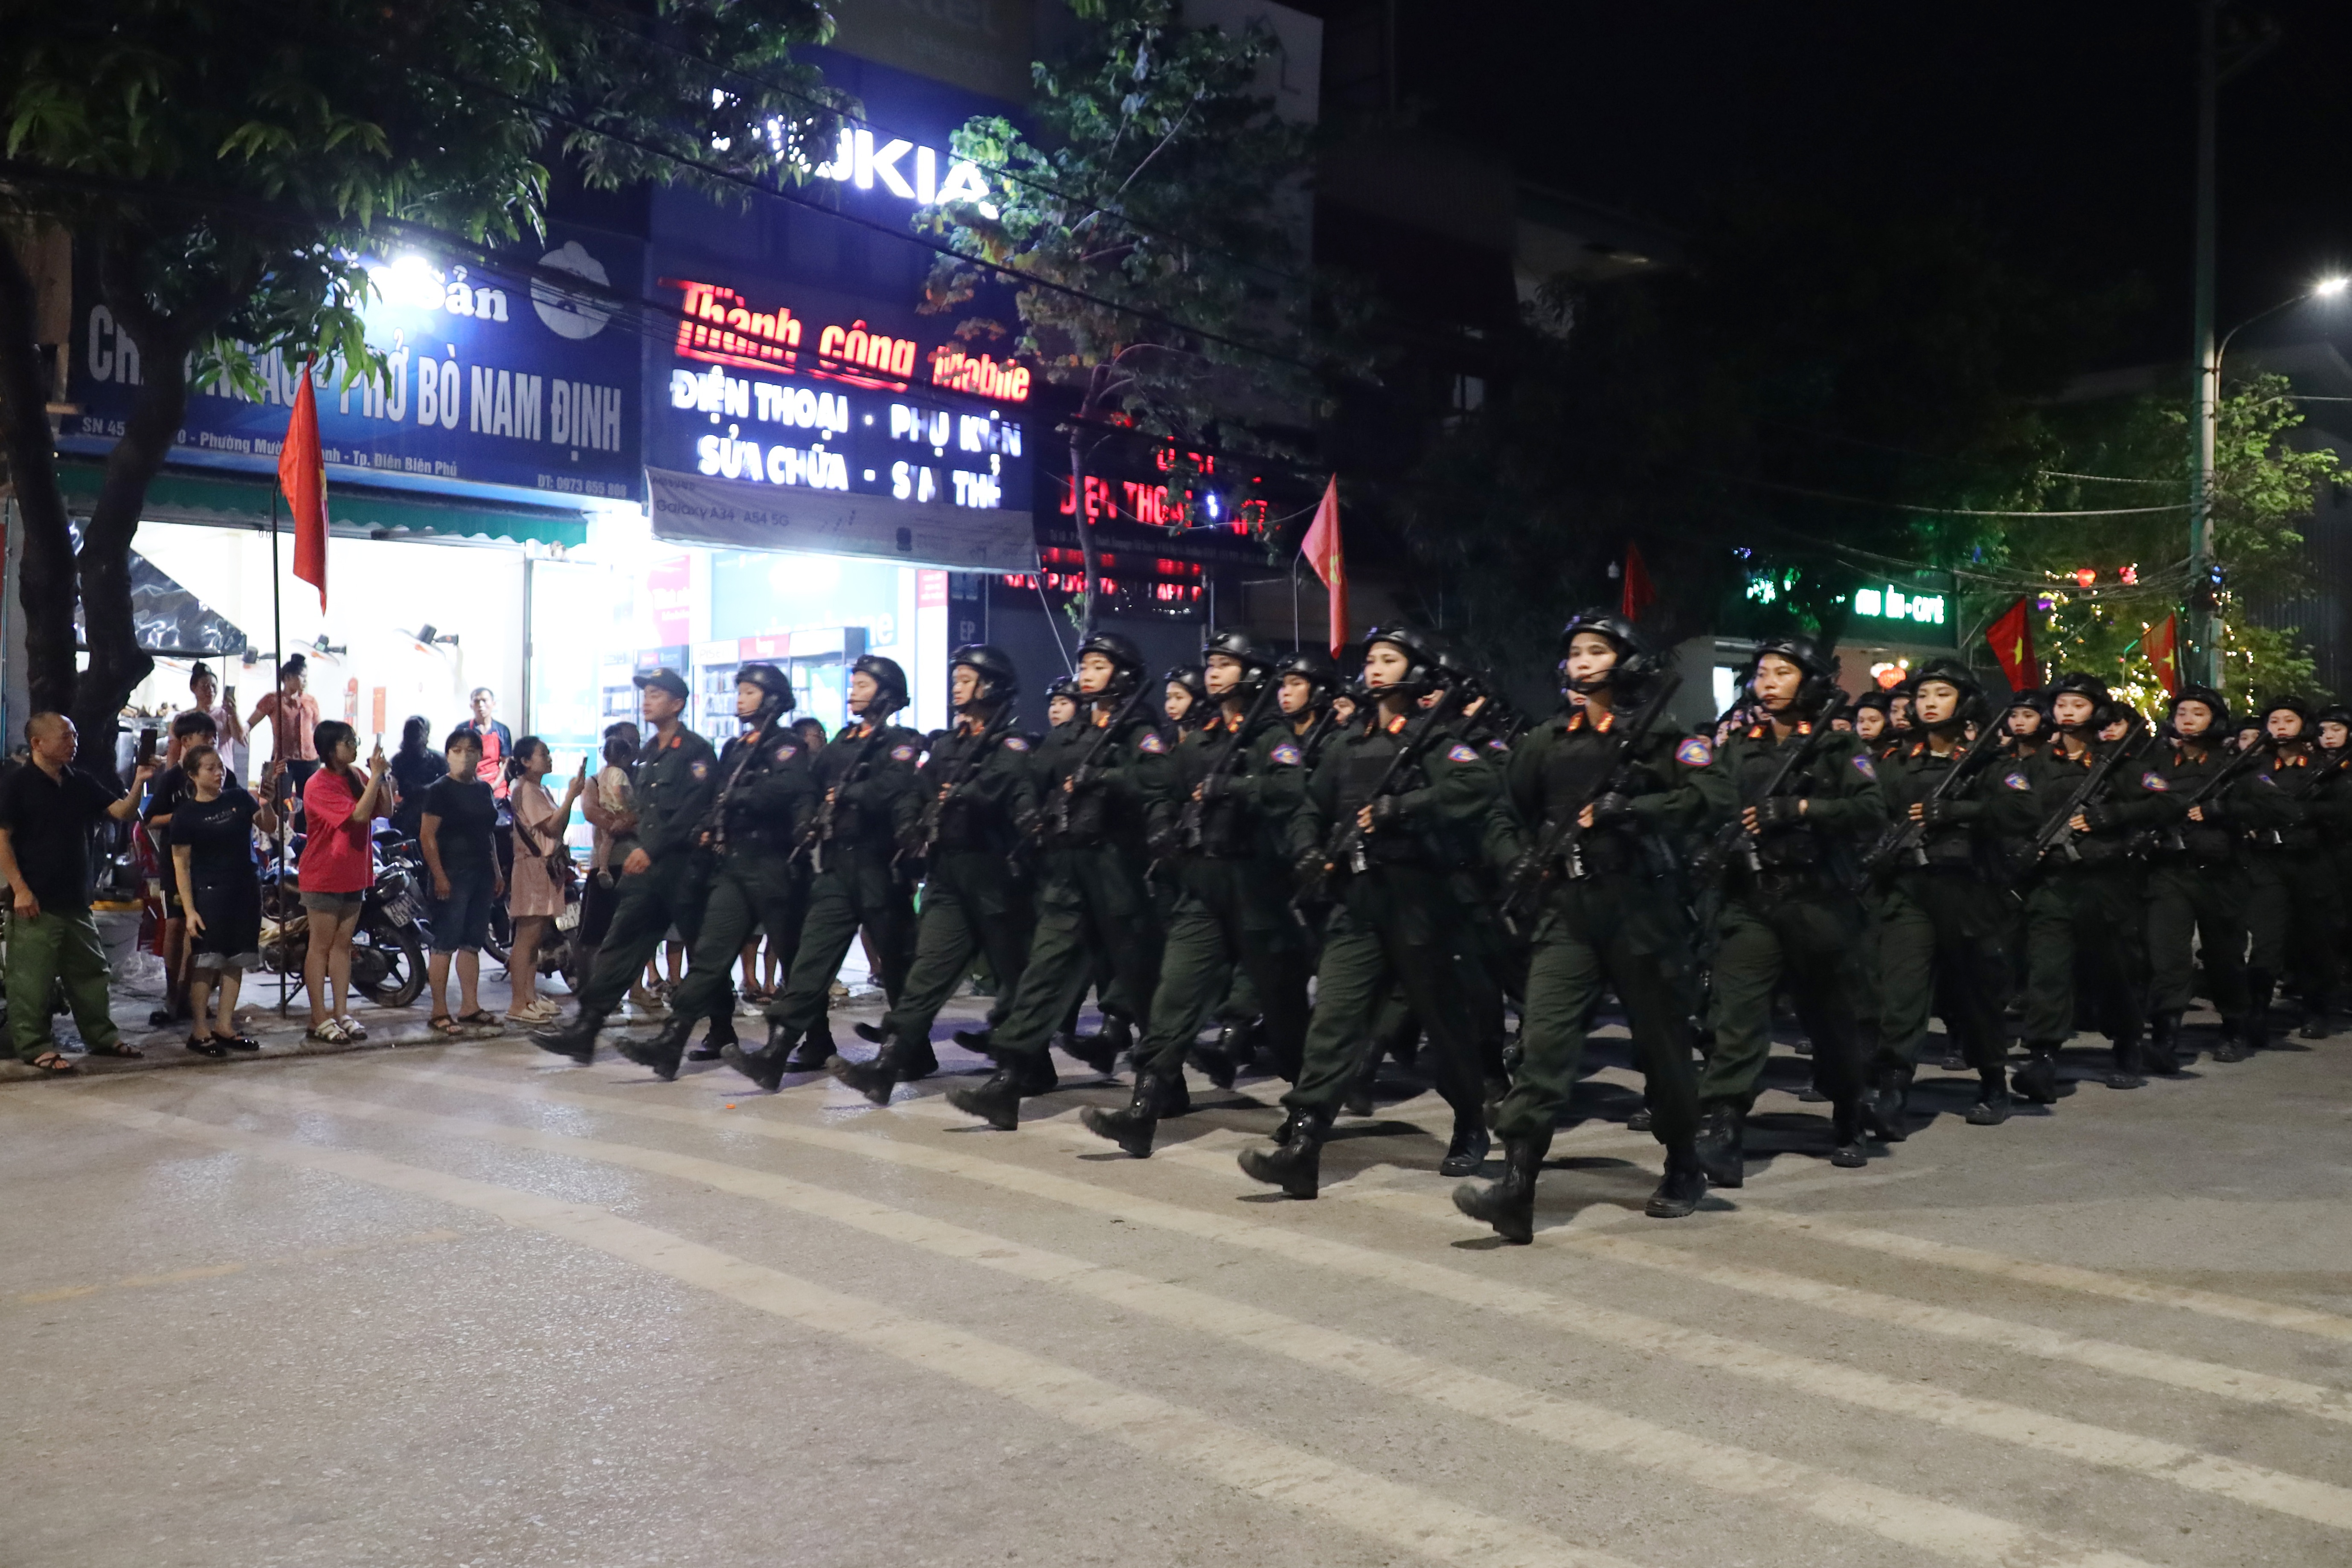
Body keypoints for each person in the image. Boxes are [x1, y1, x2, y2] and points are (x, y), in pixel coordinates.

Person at [1453, 613, 1725, 1240]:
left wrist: (1635, 809)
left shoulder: (1664, 738)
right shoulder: (1545, 741)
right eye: (1574, 651)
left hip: (1641, 910)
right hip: (1566, 911)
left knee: (1662, 1051)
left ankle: (1684, 1163)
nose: (1580, 661)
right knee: (1542, 1046)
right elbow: (1500, 812)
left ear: (1623, 661)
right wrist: (1513, 857)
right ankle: (1517, 1187)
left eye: (1595, 650)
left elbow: (1712, 798)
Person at [1238, 624, 1500, 1196]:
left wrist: (1400, 807)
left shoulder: (1437, 742)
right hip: (1358, 900)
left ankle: (1470, 1122)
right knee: (1332, 1019)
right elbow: (1311, 803)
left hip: (1420, 903)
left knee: (1444, 1022)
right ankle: (1304, 1141)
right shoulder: (1346, 743)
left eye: (1390, 659)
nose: (1376, 667)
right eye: (1373, 659)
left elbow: (1478, 786)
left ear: (1414, 673)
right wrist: (1307, 847)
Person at [1082, 630, 1314, 1156]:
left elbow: (1289, 789)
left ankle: (1306, 1116)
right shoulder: (1204, 738)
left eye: (1226, 664)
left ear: (1251, 672)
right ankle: (1143, 1112)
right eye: (1210, 662)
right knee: (1172, 1000)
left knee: (1283, 1014)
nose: (1213, 671)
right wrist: (1164, 821)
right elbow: (1166, 789)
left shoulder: (1270, 735)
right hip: (1202, 887)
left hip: (1257, 887)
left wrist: (1234, 788)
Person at [938, 633, 1170, 1125]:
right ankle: (1008, 1082)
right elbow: (1031, 776)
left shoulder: (1139, 732)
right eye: (1084, 664)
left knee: (1144, 988)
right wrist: (1030, 815)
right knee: (1043, 976)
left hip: (1118, 871)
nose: (1086, 673)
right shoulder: (1070, 734)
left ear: (1123, 673)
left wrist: (1105, 781)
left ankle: (1160, 1085)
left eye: (1099, 665)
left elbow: (1159, 781)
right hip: (1068, 871)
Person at [1695, 636, 1887, 1182]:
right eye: (1762, 673)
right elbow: (1712, 802)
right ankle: (1725, 1129)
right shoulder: (1741, 746)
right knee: (1737, 1016)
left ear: (1810, 682)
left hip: (1819, 901)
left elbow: (1872, 809)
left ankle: (1849, 1111)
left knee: (1834, 1019)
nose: (1769, 683)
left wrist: (1802, 807)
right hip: (1752, 901)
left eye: (1782, 672)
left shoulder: (1836, 746)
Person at [832, 646, 1040, 1103]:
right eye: (957, 679)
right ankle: (887, 1066)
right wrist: (910, 820)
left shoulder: (1012, 745)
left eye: (967, 680)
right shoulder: (947, 745)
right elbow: (917, 789)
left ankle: (1029, 1064)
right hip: (947, 874)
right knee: (926, 972)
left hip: (995, 874)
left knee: (1016, 976)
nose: (958, 688)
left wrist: (956, 795)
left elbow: (994, 791)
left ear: (989, 687)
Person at [723, 655, 920, 1089]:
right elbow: (811, 785)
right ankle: (777, 1052)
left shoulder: (902, 741)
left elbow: (897, 787)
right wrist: (809, 817)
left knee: (900, 967)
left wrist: (851, 792)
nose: (853, 689)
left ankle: (909, 1051)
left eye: (864, 683)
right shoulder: (844, 742)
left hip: (879, 866)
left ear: (886, 692)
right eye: (854, 682)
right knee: (811, 963)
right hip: (836, 866)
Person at [619, 665, 811, 1078]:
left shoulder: (786, 745)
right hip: (736, 863)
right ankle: (673, 1040)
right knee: (708, 955)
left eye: (750, 692)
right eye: (739, 691)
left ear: (772, 698)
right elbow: (716, 795)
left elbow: (784, 790)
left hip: (774, 863)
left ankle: (810, 1040)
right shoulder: (736, 747)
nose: (740, 698)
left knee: (796, 961)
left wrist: (738, 796)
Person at [1864, 658, 2031, 1130]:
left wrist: (1956, 810)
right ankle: (1893, 1085)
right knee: (1901, 991)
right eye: (1922, 696)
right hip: (1910, 891)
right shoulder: (1898, 761)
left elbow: (2021, 809)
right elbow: (1871, 810)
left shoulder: (1991, 760)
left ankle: (1994, 1080)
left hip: (1970, 891)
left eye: (1941, 694)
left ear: (1964, 701)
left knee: (1976, 993)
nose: (1929, 704)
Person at [532, 668, 718, 1062]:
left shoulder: (696, 751)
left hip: (683, 871)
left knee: (706, 955)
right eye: (646, 693)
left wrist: (651, 848)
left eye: (657, 694)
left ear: (677, 704)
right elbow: (644, 810)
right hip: (648, 873)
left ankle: (715, 1030)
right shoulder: (650, 752)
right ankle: (587, 1028)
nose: (648, 700)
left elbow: (693, 810)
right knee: (620, 945)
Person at [2015, 676, 2162, 1096]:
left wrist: (2110, 817)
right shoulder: (2034, 763)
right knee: (2048, 971)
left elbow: (2167, 799)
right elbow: (2008, 810)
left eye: (2077, 704)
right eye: (2061, 703)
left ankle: (2128, 1044)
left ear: (2096, 711)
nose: (2066, 711)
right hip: (2053, 884)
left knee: (2114, 970)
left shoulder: (2121, 764)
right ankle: (2042, 1055)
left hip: (2105, 884)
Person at [0, 714, 155, 1070]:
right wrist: (21, 890)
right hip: (35, 901)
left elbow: (121, 811)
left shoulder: (79, 782)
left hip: (76, 899)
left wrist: (139, 783)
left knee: (92, 973)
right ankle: (36, 1046)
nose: (74, 742)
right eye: (66, 736)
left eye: (75, 735)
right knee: (31, 981)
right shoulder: (18, 784)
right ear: (38, 743)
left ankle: (102, 1038)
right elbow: (2, 839)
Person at [2142, 685, 2256, 1067]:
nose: (2188, 719)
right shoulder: (2157, 762)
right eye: (2182, 712)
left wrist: (2220, 809)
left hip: (2219, 874)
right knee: (2168, 956)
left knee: (2224, 957)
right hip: (2170, 871)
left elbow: (2274, 807)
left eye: (2198, 713)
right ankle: (2165, 1033)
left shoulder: (2235, 764)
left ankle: (2235, 1025)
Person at [2241, 695, 2346, 1045]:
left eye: (2289, 720)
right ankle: (2256, 1009)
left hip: (2311, 862)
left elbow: (2344, 808)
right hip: (2269, 862)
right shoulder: (2256, 767)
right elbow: (2239, 802)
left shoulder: (2324, 766)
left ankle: (2317, 1009)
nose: (2281, 727)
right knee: (2267, 943)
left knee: (2315, 940)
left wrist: (2309, 814)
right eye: (2274, 721)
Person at [167, 743, 277, 1057]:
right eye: (210, 768)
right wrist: (189, 910)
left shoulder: (239, 798)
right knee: (207, 961)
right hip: (210, 893)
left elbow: (268, 826)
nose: (219, 773)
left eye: (220, 767)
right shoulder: (186, 814)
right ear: (193, 775)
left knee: (237, 959)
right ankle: (200, 1028)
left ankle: (225, 1025)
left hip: (245, 888)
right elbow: (181, 865)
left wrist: (266, 804)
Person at [298, 720, 389, 1043]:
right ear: (330, 749)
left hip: (354, 873)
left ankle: (340, 1012)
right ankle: (317, 1017)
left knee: (343, 946)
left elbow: (384, 809)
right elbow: (359, 816)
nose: (354, 746)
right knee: (320, 947)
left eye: (355, 740)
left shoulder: (356, 776)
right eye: (348, 741)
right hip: (324, 874)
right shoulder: (317, 784)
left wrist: (382, 778)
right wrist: (376, 776)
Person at [420, 729, 504, 1034]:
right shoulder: (440, 790)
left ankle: (470, 1006)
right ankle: (439, 1010)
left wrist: (496, 871)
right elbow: (427, 836)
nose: (464, 755)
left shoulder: (483, 790)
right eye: (457, 749)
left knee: (472, 942)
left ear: (481, 755)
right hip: (452, 874)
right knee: (445, 942)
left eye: (471, 749)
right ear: (447, 754)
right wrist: (440, 875)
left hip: (481, 871)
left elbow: (488, 833)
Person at [143, 709, 220, 1028]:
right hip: (175, 865)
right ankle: (172, 993)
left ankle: (194, 994)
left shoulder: (220, 776)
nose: (211, 743)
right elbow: (150, 820)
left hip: (209, 866)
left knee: (203, 931)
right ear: (186, 742)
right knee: (175, 927)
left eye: (214, 739)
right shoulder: (172, 779)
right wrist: (184, 818)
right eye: (206, 738)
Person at [505, 735, 584, 1026]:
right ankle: (518, 1002)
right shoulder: (527, 789)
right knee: (527, 936)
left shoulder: (538, 788)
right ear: (526, 762)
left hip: (544, 868)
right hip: (533, 868)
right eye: (544, 754)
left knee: (535, 937)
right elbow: (552, 827)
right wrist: (572, 796)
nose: (549, 758)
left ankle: (529, 997)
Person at [248, 655, 321, 804]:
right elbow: (250, 723)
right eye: (302, 677)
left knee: (308, 804)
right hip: (283, 760)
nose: (305, 681)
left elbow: (319, 729)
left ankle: (303, 828)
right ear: (288, 677)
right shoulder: (272, 699)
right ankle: (280, 827)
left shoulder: (310, 700)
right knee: (280, 803)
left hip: (310, 760)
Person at [184, 662, 248, 781]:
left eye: (214, 686)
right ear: (193, 688)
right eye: (205, 686)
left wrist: (233, 713)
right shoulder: (186, 718)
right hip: (196, 774)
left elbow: (241, 739)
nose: (211, 691)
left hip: (224, 773)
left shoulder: (225, 714)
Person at [387, 715, 446, 841]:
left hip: (436, 811)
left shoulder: (439, 760)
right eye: (411, 732)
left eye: (419, 732)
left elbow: (448, 786)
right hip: (409, 813)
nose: (415, 737)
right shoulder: (398, 761)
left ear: (427, 734)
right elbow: (389, 789)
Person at [460, 688, 514, 799]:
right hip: (469, 782)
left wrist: (495, 785)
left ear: (493, 704)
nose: (481, 705)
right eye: (476, 701)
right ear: (471, 705)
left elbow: (506, 762)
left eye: (485, 701)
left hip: (496, 783)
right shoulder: (463, 730)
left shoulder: (502, 730)